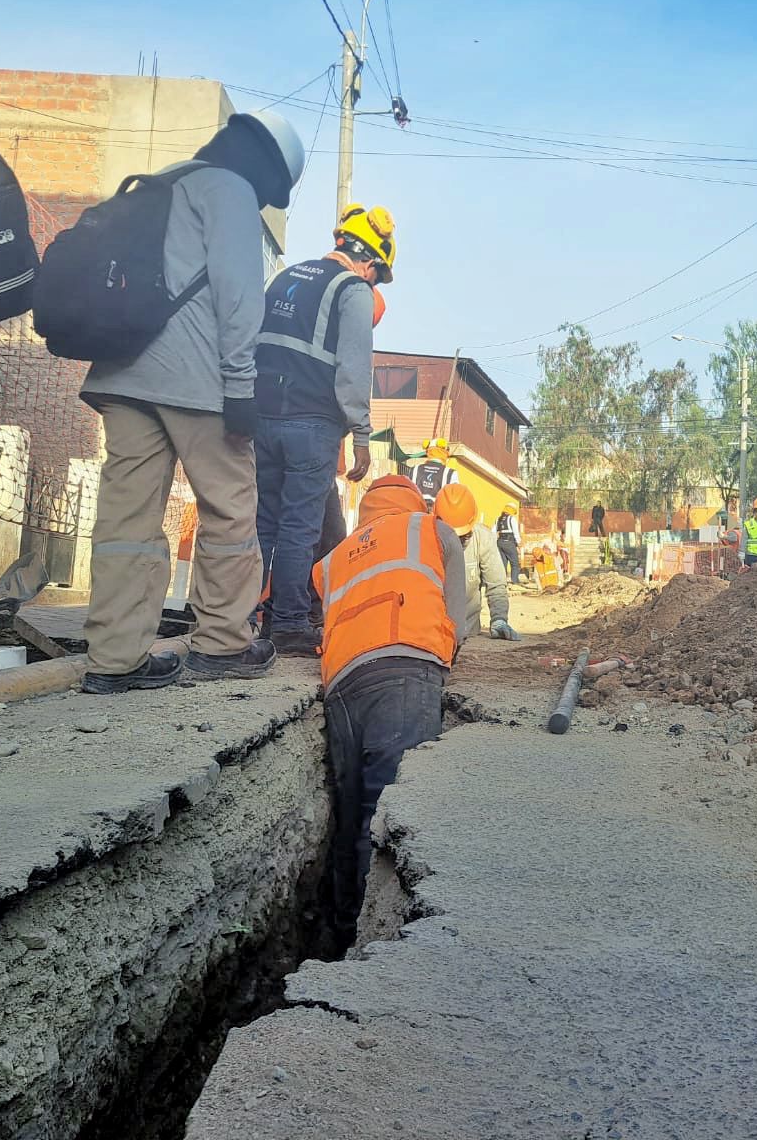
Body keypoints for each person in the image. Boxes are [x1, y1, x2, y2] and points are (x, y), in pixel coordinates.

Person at [79, 109, 304, 694]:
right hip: (197, 380)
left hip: (124, 375)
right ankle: (223, 644)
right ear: (268, 172)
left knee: (128, 518)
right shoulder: (228, 189)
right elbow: (237, 297)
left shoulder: (167, 180)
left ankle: (114, 657)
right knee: (229, 509)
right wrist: (239, 386)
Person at [312, 475, 469, 946]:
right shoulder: (431, 530)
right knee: (389, 812)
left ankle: (341, 934)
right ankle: (378, 945)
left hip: (341, 683)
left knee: (350, 813)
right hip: (405, 668)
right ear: (411, 501)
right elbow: (456, 617)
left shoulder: (336, 556)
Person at [252, 204, 395, 656]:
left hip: (259, 417)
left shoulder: (284, 277)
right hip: (311, 423)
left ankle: (240, 615)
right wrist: (361, 435)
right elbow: (353, 369)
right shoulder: (351, 289)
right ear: (369, 263)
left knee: (261, 523)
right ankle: (290, 622)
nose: (373, 283)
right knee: (299, 525)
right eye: (377, 276)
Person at [435, 484, 520, 641]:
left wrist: (499, 619)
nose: (457, 542)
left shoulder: (483, 538)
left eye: (463, 536)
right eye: (450, 535)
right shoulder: (425, 538)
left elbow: (496, 583)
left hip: (468, 632)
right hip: (432, 631)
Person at [409, 437, 458, 507]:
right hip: (438, 516)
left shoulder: (414, 470)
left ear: (428, 451)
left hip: (414, 515)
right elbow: (455, 499)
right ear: (444, 452)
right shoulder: (451, 474)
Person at [494, 500, 522, 584]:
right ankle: (515, 581)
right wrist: (519, 544)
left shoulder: (498, 519)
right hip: (509, 543)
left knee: (503, 563)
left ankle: (502, 582)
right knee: (515, 563)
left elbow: (493, 532)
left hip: (499, 543)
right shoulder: (512, 519)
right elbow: (516, 533)